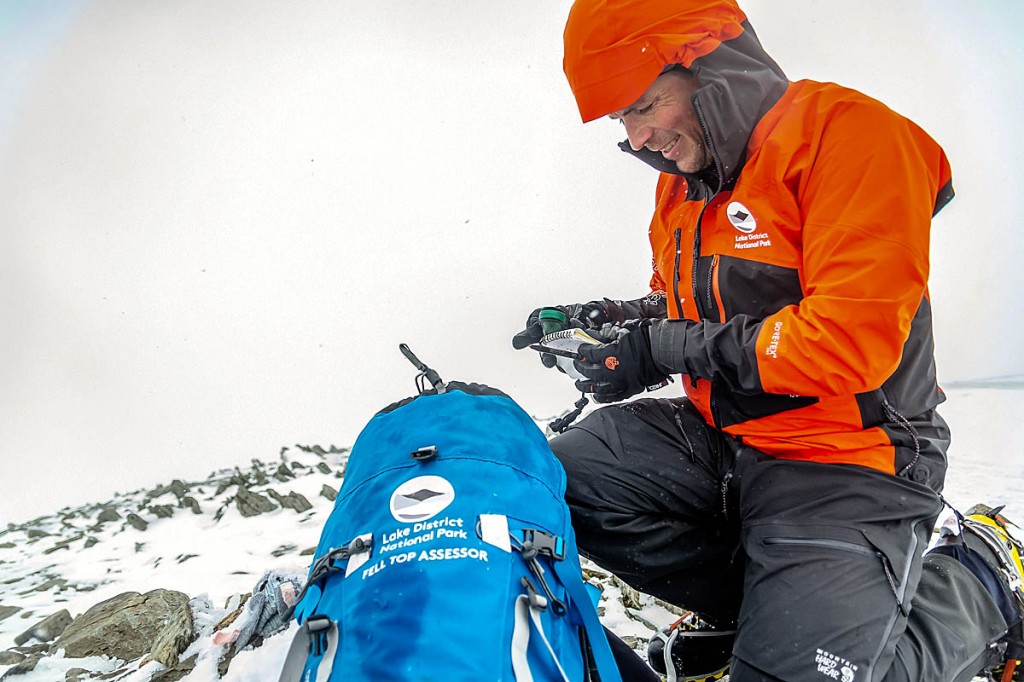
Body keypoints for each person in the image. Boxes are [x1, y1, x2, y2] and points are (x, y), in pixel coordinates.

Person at [512, 1, 1024, 680]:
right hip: (725, 436)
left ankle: (979, 581)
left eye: (643, 105)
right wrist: (617, 322)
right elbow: (688, 303)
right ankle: (774, 611)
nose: (636, 139)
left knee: (811, 674)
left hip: (847, 455)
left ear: (708, 65)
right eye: (620, 121)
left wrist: (662, 347)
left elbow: (846, 343)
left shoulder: (851, 137)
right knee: (554, 482)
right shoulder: (684, 185)